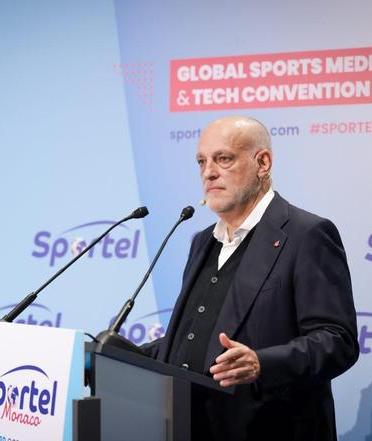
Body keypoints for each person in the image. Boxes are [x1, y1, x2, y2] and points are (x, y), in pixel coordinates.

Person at [142, 116, 359, 441]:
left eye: (223, 158)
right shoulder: (203, 242)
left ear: (262, 163)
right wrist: (112, 354)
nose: (208, 172)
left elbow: (337, 340)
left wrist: (262, 363)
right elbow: (196, 338)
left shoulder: (306, 234)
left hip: (273, 429)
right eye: (202, 161)